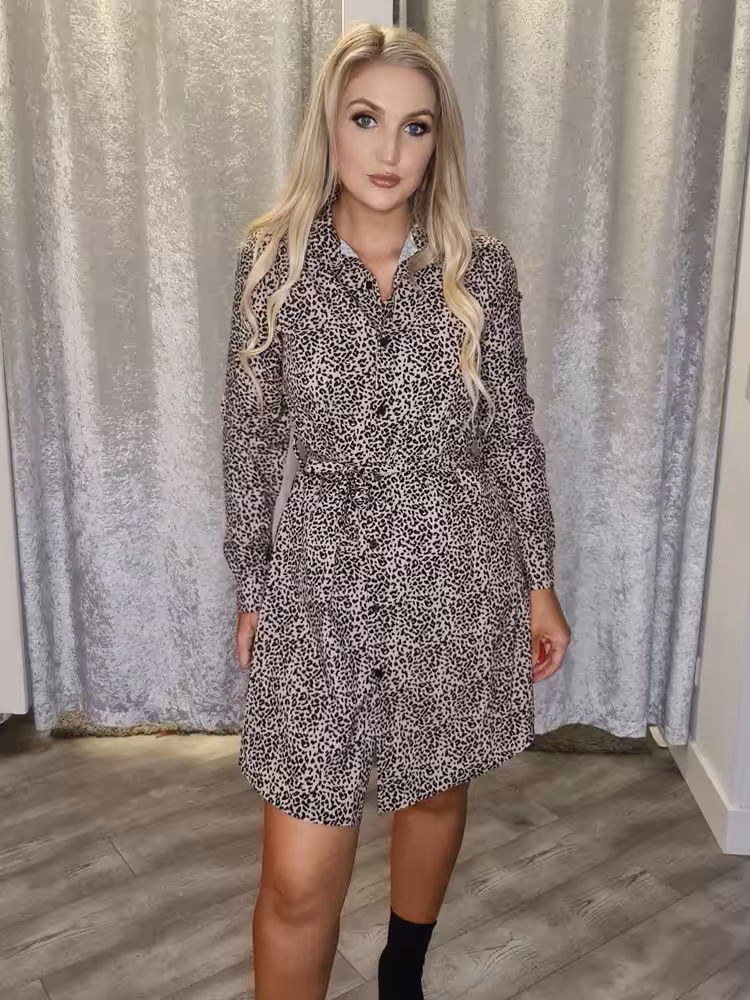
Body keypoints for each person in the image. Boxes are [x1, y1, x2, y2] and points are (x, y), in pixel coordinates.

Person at [222, 22, 571, 1000]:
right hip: (320, 592)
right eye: (366, 119)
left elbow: (510, 433)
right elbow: (250, 439)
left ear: (437, 141)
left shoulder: (480, 268)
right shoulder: (272, 265)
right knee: (297, 880)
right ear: (328, 126)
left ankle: (401, 973)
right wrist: (253, 584)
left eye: (415, 127)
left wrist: (539, 582)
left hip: (453, 573)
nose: (389, 151)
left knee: (433, 786)